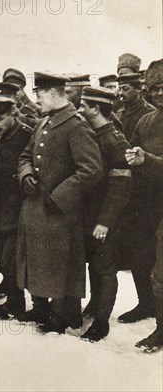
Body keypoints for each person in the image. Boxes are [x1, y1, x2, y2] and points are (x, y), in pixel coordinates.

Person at [16, 71, 103, 334]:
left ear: (54, 93)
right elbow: (25, 155)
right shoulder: (44, 122)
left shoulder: (76, 125)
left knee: (59, 264)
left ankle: (62, 315)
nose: (37, 101)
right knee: (35, 260)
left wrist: (60, 197)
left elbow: (92, 169)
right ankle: (41, 307)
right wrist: (26, 174)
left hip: (60, 214)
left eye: (39, 95)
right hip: (35, 210)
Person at [77, 86, 132, 341]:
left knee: (105, 268)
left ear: (96, 109)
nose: (79, 110)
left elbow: (121, 185)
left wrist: (105, 221)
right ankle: (95, 304)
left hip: (105, 219)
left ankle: (102, 322)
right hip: (89, 214)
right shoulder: (93, 133)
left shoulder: (114, 139)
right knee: (94, 264)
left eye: (84, 106)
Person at [117, 62, 163, 325]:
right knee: (139, 254)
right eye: (154, 88)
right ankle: (146, 304)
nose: (158, 93)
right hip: (146, 201)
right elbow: (131, 150)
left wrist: (146, 160)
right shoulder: (147, 120)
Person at [0, 96, 33, 318]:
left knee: (12, 259)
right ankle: (15, 301)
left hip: (21, 206)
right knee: (5, 259)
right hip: (1, 207)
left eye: (0, 119)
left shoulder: (27, 135)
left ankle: (17, 303)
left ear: (14, 113)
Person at [116, 72, 155, 140]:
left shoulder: (149, 112)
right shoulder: (119, 112)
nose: (121, 93)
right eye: (119, 89)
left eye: (125, 89)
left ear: (138, 89)